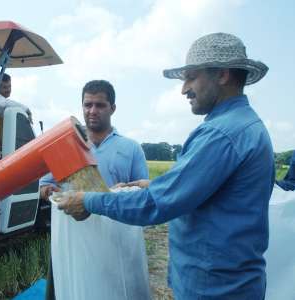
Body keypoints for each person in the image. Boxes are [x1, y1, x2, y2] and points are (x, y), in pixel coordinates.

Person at [58, 33, 274, 299]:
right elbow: (199, 192)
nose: (184, 89)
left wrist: (89, 201)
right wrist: (158, 185)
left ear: (222, 75)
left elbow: (156, 204)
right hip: (224, 282)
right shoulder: (241, 125)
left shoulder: (222, 134)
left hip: (215, 288)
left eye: (191, 77)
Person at [40, 80, 152, 300]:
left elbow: (143, 195)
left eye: (100, 105)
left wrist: (125, 188)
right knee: (72, 288)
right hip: (74, 236)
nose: (92, 111)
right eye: (87, 104)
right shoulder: (65, 146)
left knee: (116, 289)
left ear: (113, 108)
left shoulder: (130, 148)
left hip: (115, 239)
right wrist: (48, 191)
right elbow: (44, 186)